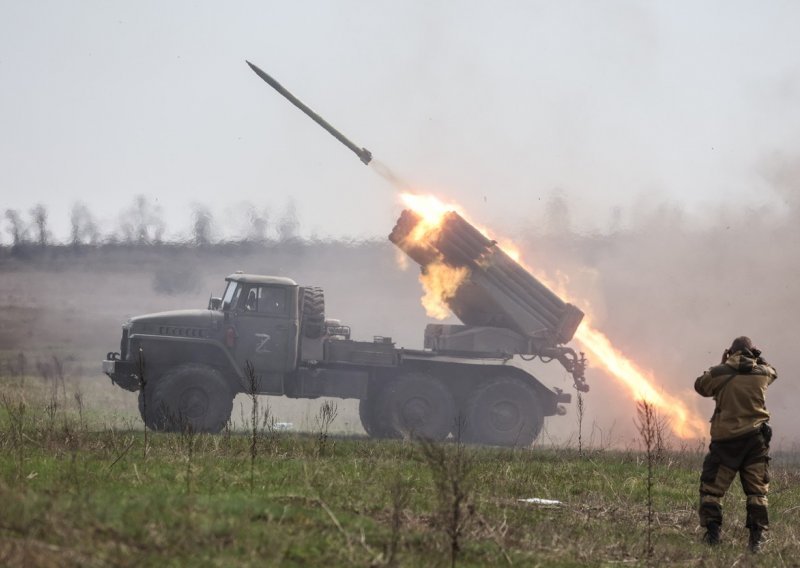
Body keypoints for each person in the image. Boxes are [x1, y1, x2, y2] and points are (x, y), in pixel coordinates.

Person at [695, 336, 777, 552]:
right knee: (757, 492)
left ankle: (713, 536)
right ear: (752, 352)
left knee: (712, 489)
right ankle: (756, 541)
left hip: (725, 443)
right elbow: (772, 371)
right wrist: (758, 357)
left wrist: (723, 363)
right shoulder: (762, 373)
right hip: (755, 442)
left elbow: (700, 386)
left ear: (730, 352)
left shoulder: (720, 373)